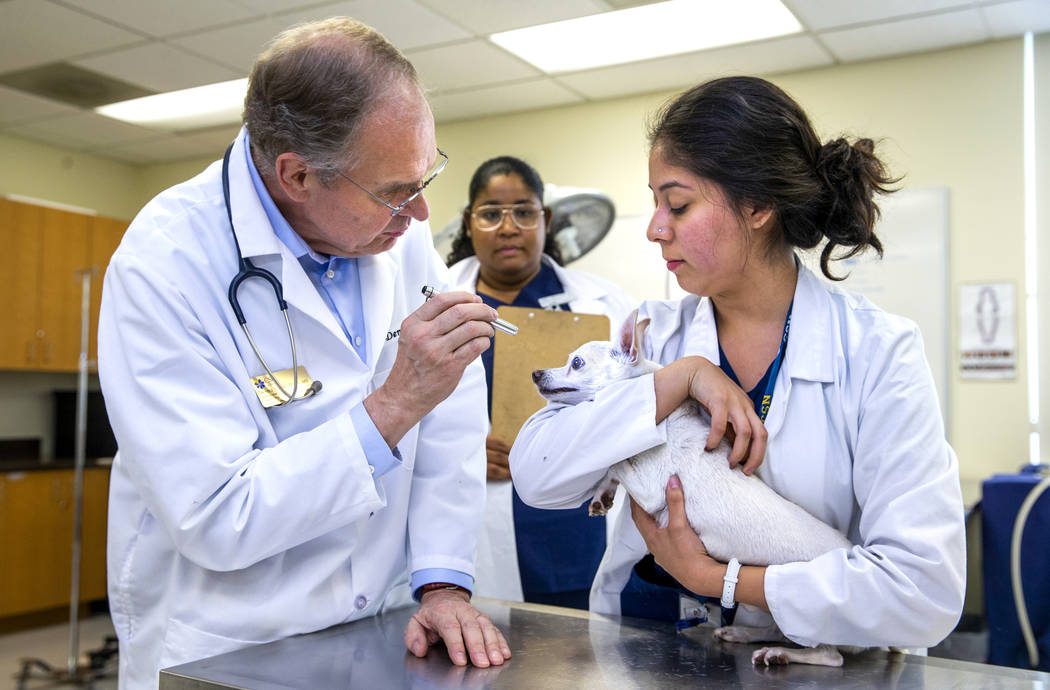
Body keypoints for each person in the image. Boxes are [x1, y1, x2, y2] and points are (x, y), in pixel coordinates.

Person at [98, 18, 510, 688]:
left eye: (425, 174)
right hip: (233, 644)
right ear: (296, 175)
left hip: (380, 628)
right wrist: (393, 404)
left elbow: (449, 413)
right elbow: (216, 516)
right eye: (396, 189)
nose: (421, 211)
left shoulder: (394, 234)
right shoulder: (165, 265)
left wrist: (441, 584)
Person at [509, 76, 965, 651]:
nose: (655, 228)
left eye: (677, 204)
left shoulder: (877, 352)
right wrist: (679, 378)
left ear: (758, 205)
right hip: (650, 646)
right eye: (655, 204)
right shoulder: (655, 337)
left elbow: (924, 592)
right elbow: (535, 474)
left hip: (818, 662)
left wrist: (719, 580)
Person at [445, 156, 635, 608]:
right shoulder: (436, 300)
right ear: (469, 224)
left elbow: (640, 403)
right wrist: (465, 450)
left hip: (580, 521)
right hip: (481, 510)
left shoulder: (606, 304)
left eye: (524, 212)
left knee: (589, 662)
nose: (508, 227)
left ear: (545, 219)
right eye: (491, 213)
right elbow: (402, 406)